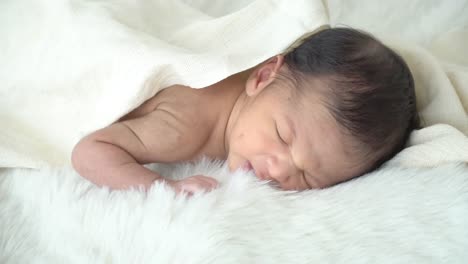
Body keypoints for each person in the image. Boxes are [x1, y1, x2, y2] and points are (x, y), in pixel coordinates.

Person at [71, 28, 419, 194]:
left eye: (308, 177)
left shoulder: (271, 102)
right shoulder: (184, 127)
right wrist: (162, 188)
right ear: (263, 75)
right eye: (283, 136)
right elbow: (90, 151)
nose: (279, 169)